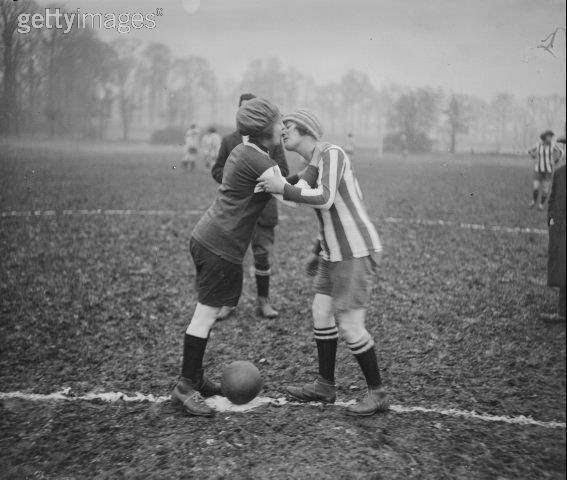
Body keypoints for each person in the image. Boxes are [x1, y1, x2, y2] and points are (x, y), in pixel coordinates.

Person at [257, 109, 388, 417]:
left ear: (305, 130)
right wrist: (317, 249)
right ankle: (325, 386)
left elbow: (325, 198)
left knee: (350, 325)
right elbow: (296, 192)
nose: (283, 131)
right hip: (333, 253)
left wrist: (281, 187)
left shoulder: (332, 153)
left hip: (354, 251)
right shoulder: (312, 163)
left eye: (288, 127)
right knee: (321, 312)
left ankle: (378, 392)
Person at [172, 98, 289, 417]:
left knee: (205, 313)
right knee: (205, 316)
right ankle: (185, 388)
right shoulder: (256, 158)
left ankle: (194, 377)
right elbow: (289, 195)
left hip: (209, 238)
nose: (284, 126)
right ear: (266, 128)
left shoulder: (244, 150)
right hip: (220, 245)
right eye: (279, 122)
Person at [211, 93, 289, 319]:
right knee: (230, 257)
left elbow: (283, 171)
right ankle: (228, 303)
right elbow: (217, 170)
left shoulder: (271, 139)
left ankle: (264, 302)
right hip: (236, 212)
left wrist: (262, 176)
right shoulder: (229, 141)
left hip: (263, 211)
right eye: (245, 110)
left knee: (262, 255)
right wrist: (238, 180)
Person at [542, 138, 566, 321]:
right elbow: (552, 199)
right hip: (561, 229)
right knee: (562, 269)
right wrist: (551, 218)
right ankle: (562, 312)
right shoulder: (559, 173)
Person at [528, 130, 563, 210]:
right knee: (535, 187)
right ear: (544, 137)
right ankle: (533, 201)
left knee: (545, 188)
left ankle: (541, 205)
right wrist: (534, 156)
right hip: (538, 170)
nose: (550, 138)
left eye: (551, 137)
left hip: (548, 171)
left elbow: (561, 152)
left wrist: (556, 161)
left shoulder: (553, 145)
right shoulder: (538, 145)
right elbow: (530, 151)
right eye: (549, 136)